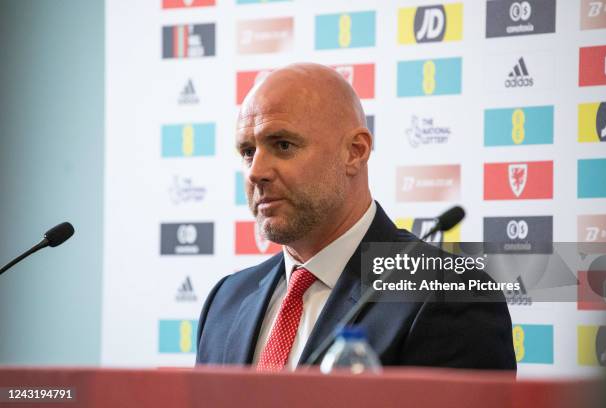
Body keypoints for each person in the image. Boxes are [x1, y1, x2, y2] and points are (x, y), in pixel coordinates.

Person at [195, 62, 516, 371]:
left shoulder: (448, 295)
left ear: (355, 152)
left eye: (283, 145)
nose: (256, 172)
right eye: (247, 152)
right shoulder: (226, 299)